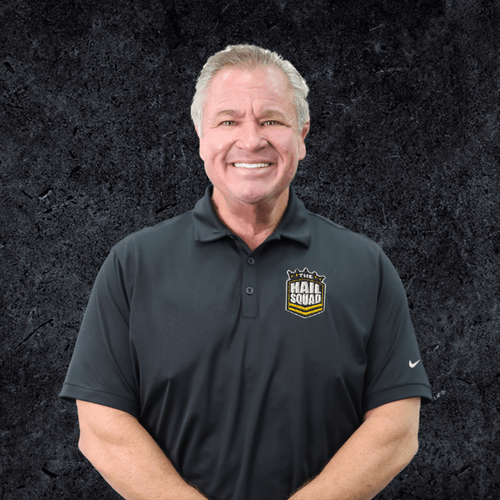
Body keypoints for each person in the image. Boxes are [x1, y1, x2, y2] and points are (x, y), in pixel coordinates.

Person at [60, 44, 432, 500]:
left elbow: (397, 426)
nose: (251, 140)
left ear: (302, 134)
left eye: (272, 120)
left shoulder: (364, 264)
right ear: (201, 136)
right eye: (229, 121)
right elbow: (100, 425)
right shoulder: (133, 264)